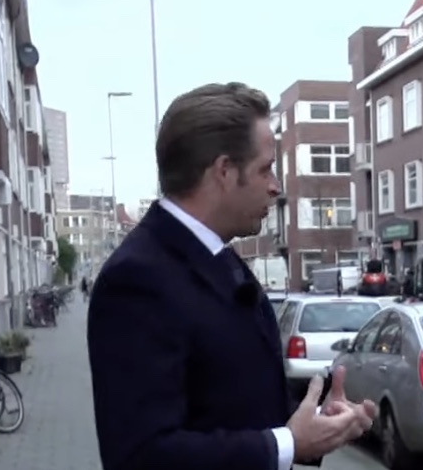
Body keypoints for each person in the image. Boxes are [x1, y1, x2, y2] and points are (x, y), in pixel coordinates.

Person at [88, 83, 375, 470]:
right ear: (224, 171)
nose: (275, 186)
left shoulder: (218, 258)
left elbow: (234, 400)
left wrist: (317, 423)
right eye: (265, 169)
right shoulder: (137, 280)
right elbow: (142, 455)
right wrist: (287, 444)